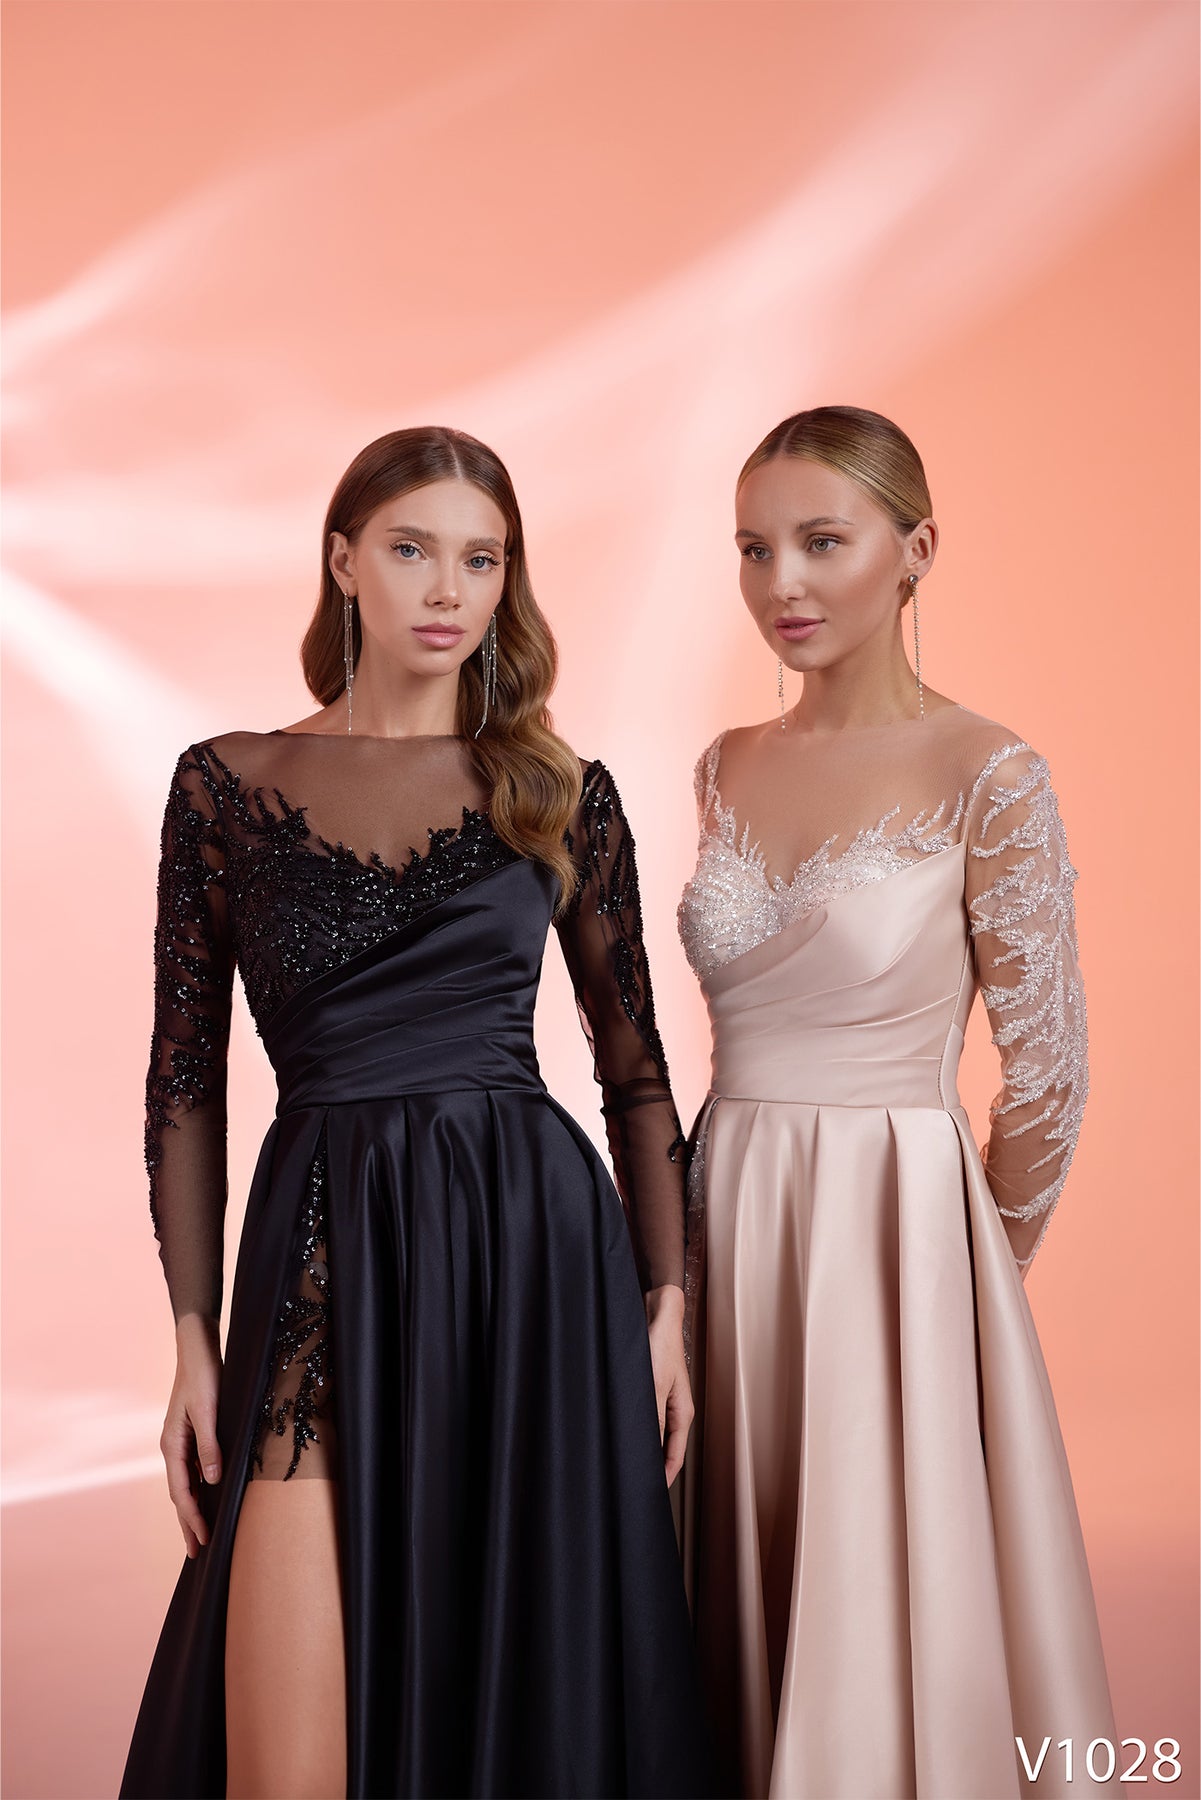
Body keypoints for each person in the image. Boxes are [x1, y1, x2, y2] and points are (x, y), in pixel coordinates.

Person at [121, 426, 712, 1800]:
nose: (448, 590)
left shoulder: (559, 793)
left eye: (481, 560)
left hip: (530, 1257)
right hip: (319, 1249)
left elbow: (634, 1072)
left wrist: (668, 1303)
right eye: (410, 549)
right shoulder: (224, 786)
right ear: (343, 562)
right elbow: (184, 1082)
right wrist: (193, 1338)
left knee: (518, 1700)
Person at [677, 406, 1120, 1798]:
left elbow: (1047, 1073)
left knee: (877, 1589)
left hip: (896, 1232)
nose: (782, 584)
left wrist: (966, 1274)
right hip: (723, 1210)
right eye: (754, 549)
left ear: (916, 549)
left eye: (822, 541)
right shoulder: (725, 764)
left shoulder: (989, 772)